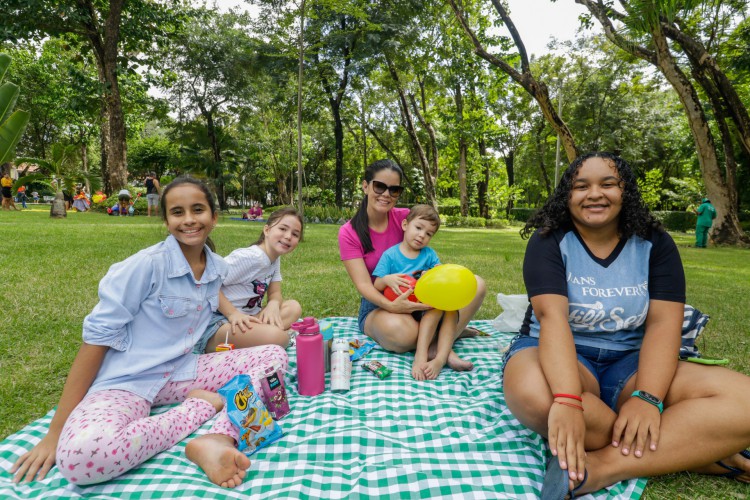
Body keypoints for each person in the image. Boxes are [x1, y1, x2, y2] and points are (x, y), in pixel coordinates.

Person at [9, 177, 288, 489]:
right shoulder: (145, 266)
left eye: (198, 210)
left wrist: (237, 314)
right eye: (177, 212)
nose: (189, 220)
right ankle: (202, 407)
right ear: (166, 220)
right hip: (127, 382)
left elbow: (219, 305)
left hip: (182, 371)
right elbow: (95, 342)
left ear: (214, 217)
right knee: (81, 458)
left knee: (273, 357)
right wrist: (55, 432)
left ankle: (216, 438)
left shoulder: (217, 268)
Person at [500, 152, 750, 499]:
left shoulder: (655, 243)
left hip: (632, 360)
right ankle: (698, 452)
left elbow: (664, 323)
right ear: (566, 196)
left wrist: (647, 398)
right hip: (559, 351)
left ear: (626, 191)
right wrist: (570, 400)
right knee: (536, 395)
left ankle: (603, 466)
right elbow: (552, 318)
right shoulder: (549, 240)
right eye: (581, 186)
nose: (594, 194)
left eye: (608, 183)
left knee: (745, 402)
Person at [338, 159, 485, 369]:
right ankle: (449, 335)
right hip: (381, 302)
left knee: (476, 284)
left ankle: (441, 343)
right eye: (380, 186)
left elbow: (426, 245)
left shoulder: (406, 217)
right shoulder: (348, 232)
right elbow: (364, 286)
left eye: (394, 189)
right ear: (365, 186)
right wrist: (392, 306)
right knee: (404, 334)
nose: (386, 194)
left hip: (421, 296)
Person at [372, 204, 462, 381]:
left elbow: (440, 276)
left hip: (425, 306)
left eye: (428, 234)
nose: (422, 235)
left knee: (446, 308)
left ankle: (440, 359)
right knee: (435, 311)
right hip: (404, 309)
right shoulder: (390, 255)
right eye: (418, 228)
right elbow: (377, 284)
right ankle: (423, 353)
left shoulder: (429, 255)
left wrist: (434, 274)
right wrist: (387, 279)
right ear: (405, 225)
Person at [196, 207, 303, 353]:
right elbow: (207, 283)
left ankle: (260, 336)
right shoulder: (250, 258)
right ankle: (215, 344)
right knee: (279, 338)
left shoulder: (274, 259)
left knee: (293, 307)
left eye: (295, 234)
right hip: (218, 324)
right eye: (283, 229)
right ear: (267, 230)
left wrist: (273, 303)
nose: (288, 236)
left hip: (249, 319)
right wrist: (232, 314)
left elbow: (275, 292)